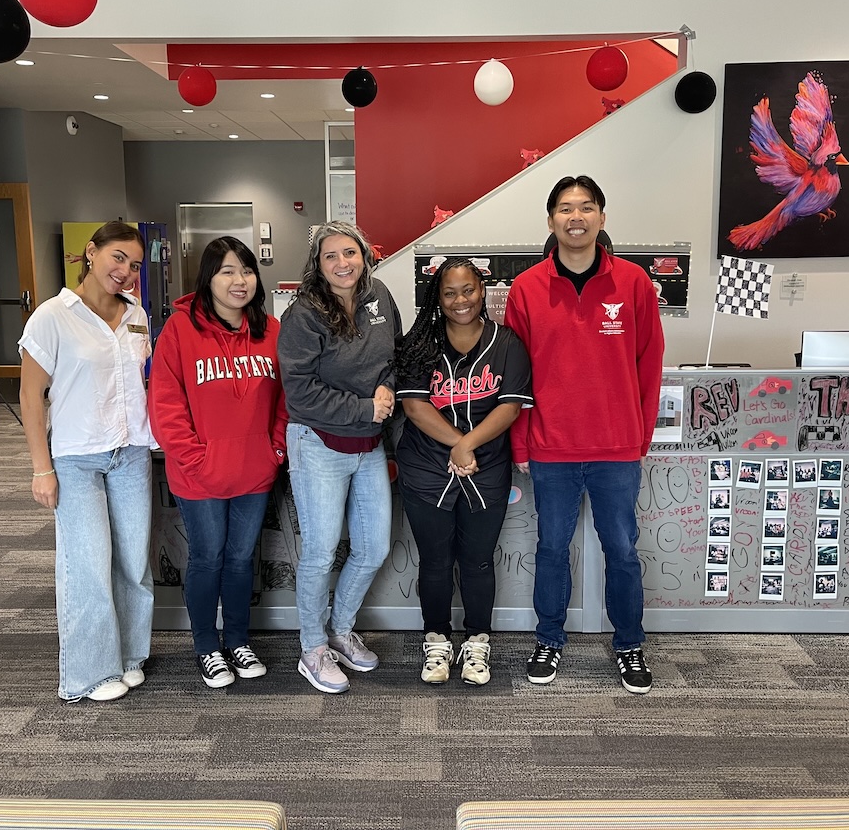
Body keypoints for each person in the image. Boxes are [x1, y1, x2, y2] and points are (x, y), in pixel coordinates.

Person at [504, 175, 664, 694]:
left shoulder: (635, 283)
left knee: (621, 549)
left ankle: (629, 645)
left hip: (616, 447)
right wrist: (522, 441)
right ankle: (548, 638)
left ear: (602, 216)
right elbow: (516, 376)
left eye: (587, 207)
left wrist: (639, 434)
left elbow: (649, 363)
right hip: (551, 448)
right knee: (551, 548)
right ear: (550, 220)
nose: (577, 217)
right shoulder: (527, 288)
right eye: (566, 209)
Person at [18, 221, 154, 703]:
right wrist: (41, 467)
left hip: (131, 450)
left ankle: (130, 656)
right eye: (118, 258)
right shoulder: (53, 316)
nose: (126, 271)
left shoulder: (137, 314)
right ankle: (90, 672)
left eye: (135, 264)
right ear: (90, 253)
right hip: (76, 456)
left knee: (134, 562)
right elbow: (31, 396)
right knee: (87, 565)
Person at [148, 237, 287, 690]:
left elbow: (287, 399)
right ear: (207, 277)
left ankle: (239, 640)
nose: (239, 280)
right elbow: (166, 404)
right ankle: (208, 646)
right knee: (207, 558)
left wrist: (276, 450)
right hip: (199, 473)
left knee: (242, 559)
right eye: (226, 271)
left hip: (255, 469)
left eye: (245, 270)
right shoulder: (179, 330)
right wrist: (195, 459)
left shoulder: (272, 330)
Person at [393, 257, 533, 685]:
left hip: (485, 468)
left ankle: (477, 642)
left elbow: (510, 407)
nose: (460, 300)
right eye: (449, 292)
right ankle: (436, 641)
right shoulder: (420, 342)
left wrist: (467, 445)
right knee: (435, 562)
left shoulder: (507, 343)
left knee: (477, 563)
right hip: (425, 467)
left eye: (468, 289)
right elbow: (415, 407)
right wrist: (458, 444)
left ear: (483, 290)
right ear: (438, 296)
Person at [277, 221, 402, 694]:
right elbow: (299, 391)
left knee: (373, 547)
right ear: (317, 264)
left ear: (365, 254)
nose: (342, 263)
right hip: (318, 442)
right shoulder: (305, 314)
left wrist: (386, 387)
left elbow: (395, 353)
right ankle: (312, 648)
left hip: (368, 443)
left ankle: (340, 629)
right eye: (331, 256)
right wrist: (362, 407)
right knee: (320, 552)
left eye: (349, 253)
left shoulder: (380, 296)